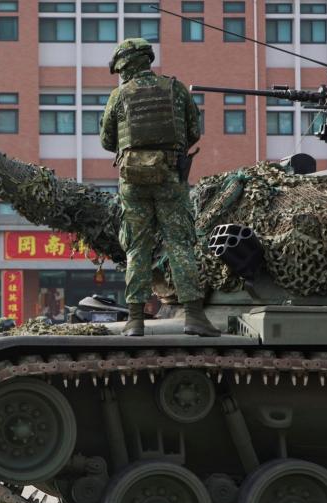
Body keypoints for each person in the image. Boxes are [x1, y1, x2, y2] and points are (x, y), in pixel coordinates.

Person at [100, 37, 220, 338]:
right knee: (179, 244)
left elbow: (107, 141)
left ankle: (135, 320)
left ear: (125, 66)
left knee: (137, 248)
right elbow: (194, 131)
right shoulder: (175, 89)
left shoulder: (118, 96)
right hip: (169, 177)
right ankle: (194, 315)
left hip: (132, 181)